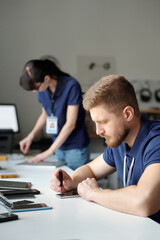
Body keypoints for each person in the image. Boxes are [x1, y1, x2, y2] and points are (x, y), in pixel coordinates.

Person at [51, 75, 160, 223]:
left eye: (103, 122)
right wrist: (72, 181)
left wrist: (94, 193)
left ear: (127, 114)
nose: (98, 131)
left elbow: (144, 202)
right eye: (95, 123)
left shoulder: (156, 141)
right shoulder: (119, 141)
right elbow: (90, 169)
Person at [19, 59, 90, 170]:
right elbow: (45, 114)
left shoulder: (71, 85)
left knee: (75, 184)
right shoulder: (43, 90)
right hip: (58, 146)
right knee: (62, 183)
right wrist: (30, 136)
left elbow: (70, 124)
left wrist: (49, 151)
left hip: (75, 147)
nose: (35, 91)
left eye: (36, 87)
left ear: (46, 78)